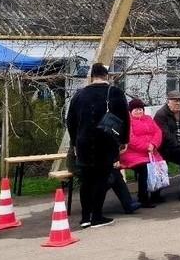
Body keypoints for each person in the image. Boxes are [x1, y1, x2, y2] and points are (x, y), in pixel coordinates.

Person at [65, 62, 130, 228]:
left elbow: (70, 121)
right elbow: (125, 118)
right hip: (106, 143)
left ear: (91, 76)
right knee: (102, 179)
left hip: (83, 143)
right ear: (106, 76)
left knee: (86, 181)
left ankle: (85, 217)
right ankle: (97, 216)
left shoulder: (79, 95)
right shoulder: (115, 92)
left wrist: (74, 142)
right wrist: (124, 141)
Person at [119, 98, 163, 208]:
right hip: (132, 153)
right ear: (130, 111)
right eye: (136, 110)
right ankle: (143, 197)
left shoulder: (148, 119)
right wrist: (146, 146)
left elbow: (158, 132)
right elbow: (131, 139)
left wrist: (153, 144)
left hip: (151, 151)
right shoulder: (128, 122)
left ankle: (155, 193)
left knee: (159, 166)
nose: (139, 112)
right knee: (145, 168)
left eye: (140, 109)